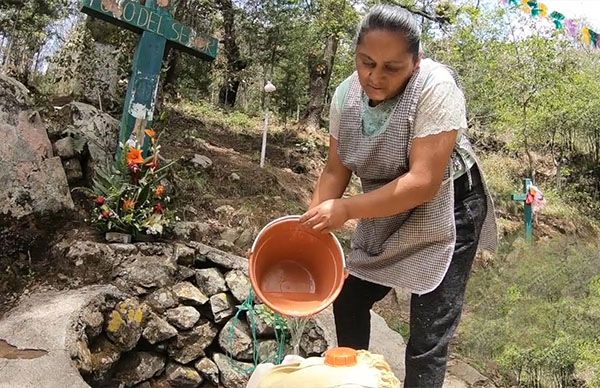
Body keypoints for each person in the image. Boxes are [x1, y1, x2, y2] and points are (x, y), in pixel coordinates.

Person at [299, 5, 497, 387]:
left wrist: (346, 210)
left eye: (392, 68)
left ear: (416, 61)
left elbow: (423, 182)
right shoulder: (345, 96)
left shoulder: (436, 87)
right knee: (349, 296)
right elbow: (335, 170)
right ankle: (355, 381)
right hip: (387, 204)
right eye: (366, 62)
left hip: (449, 207)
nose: (375, 77)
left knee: (426, 337)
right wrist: (308, 232)